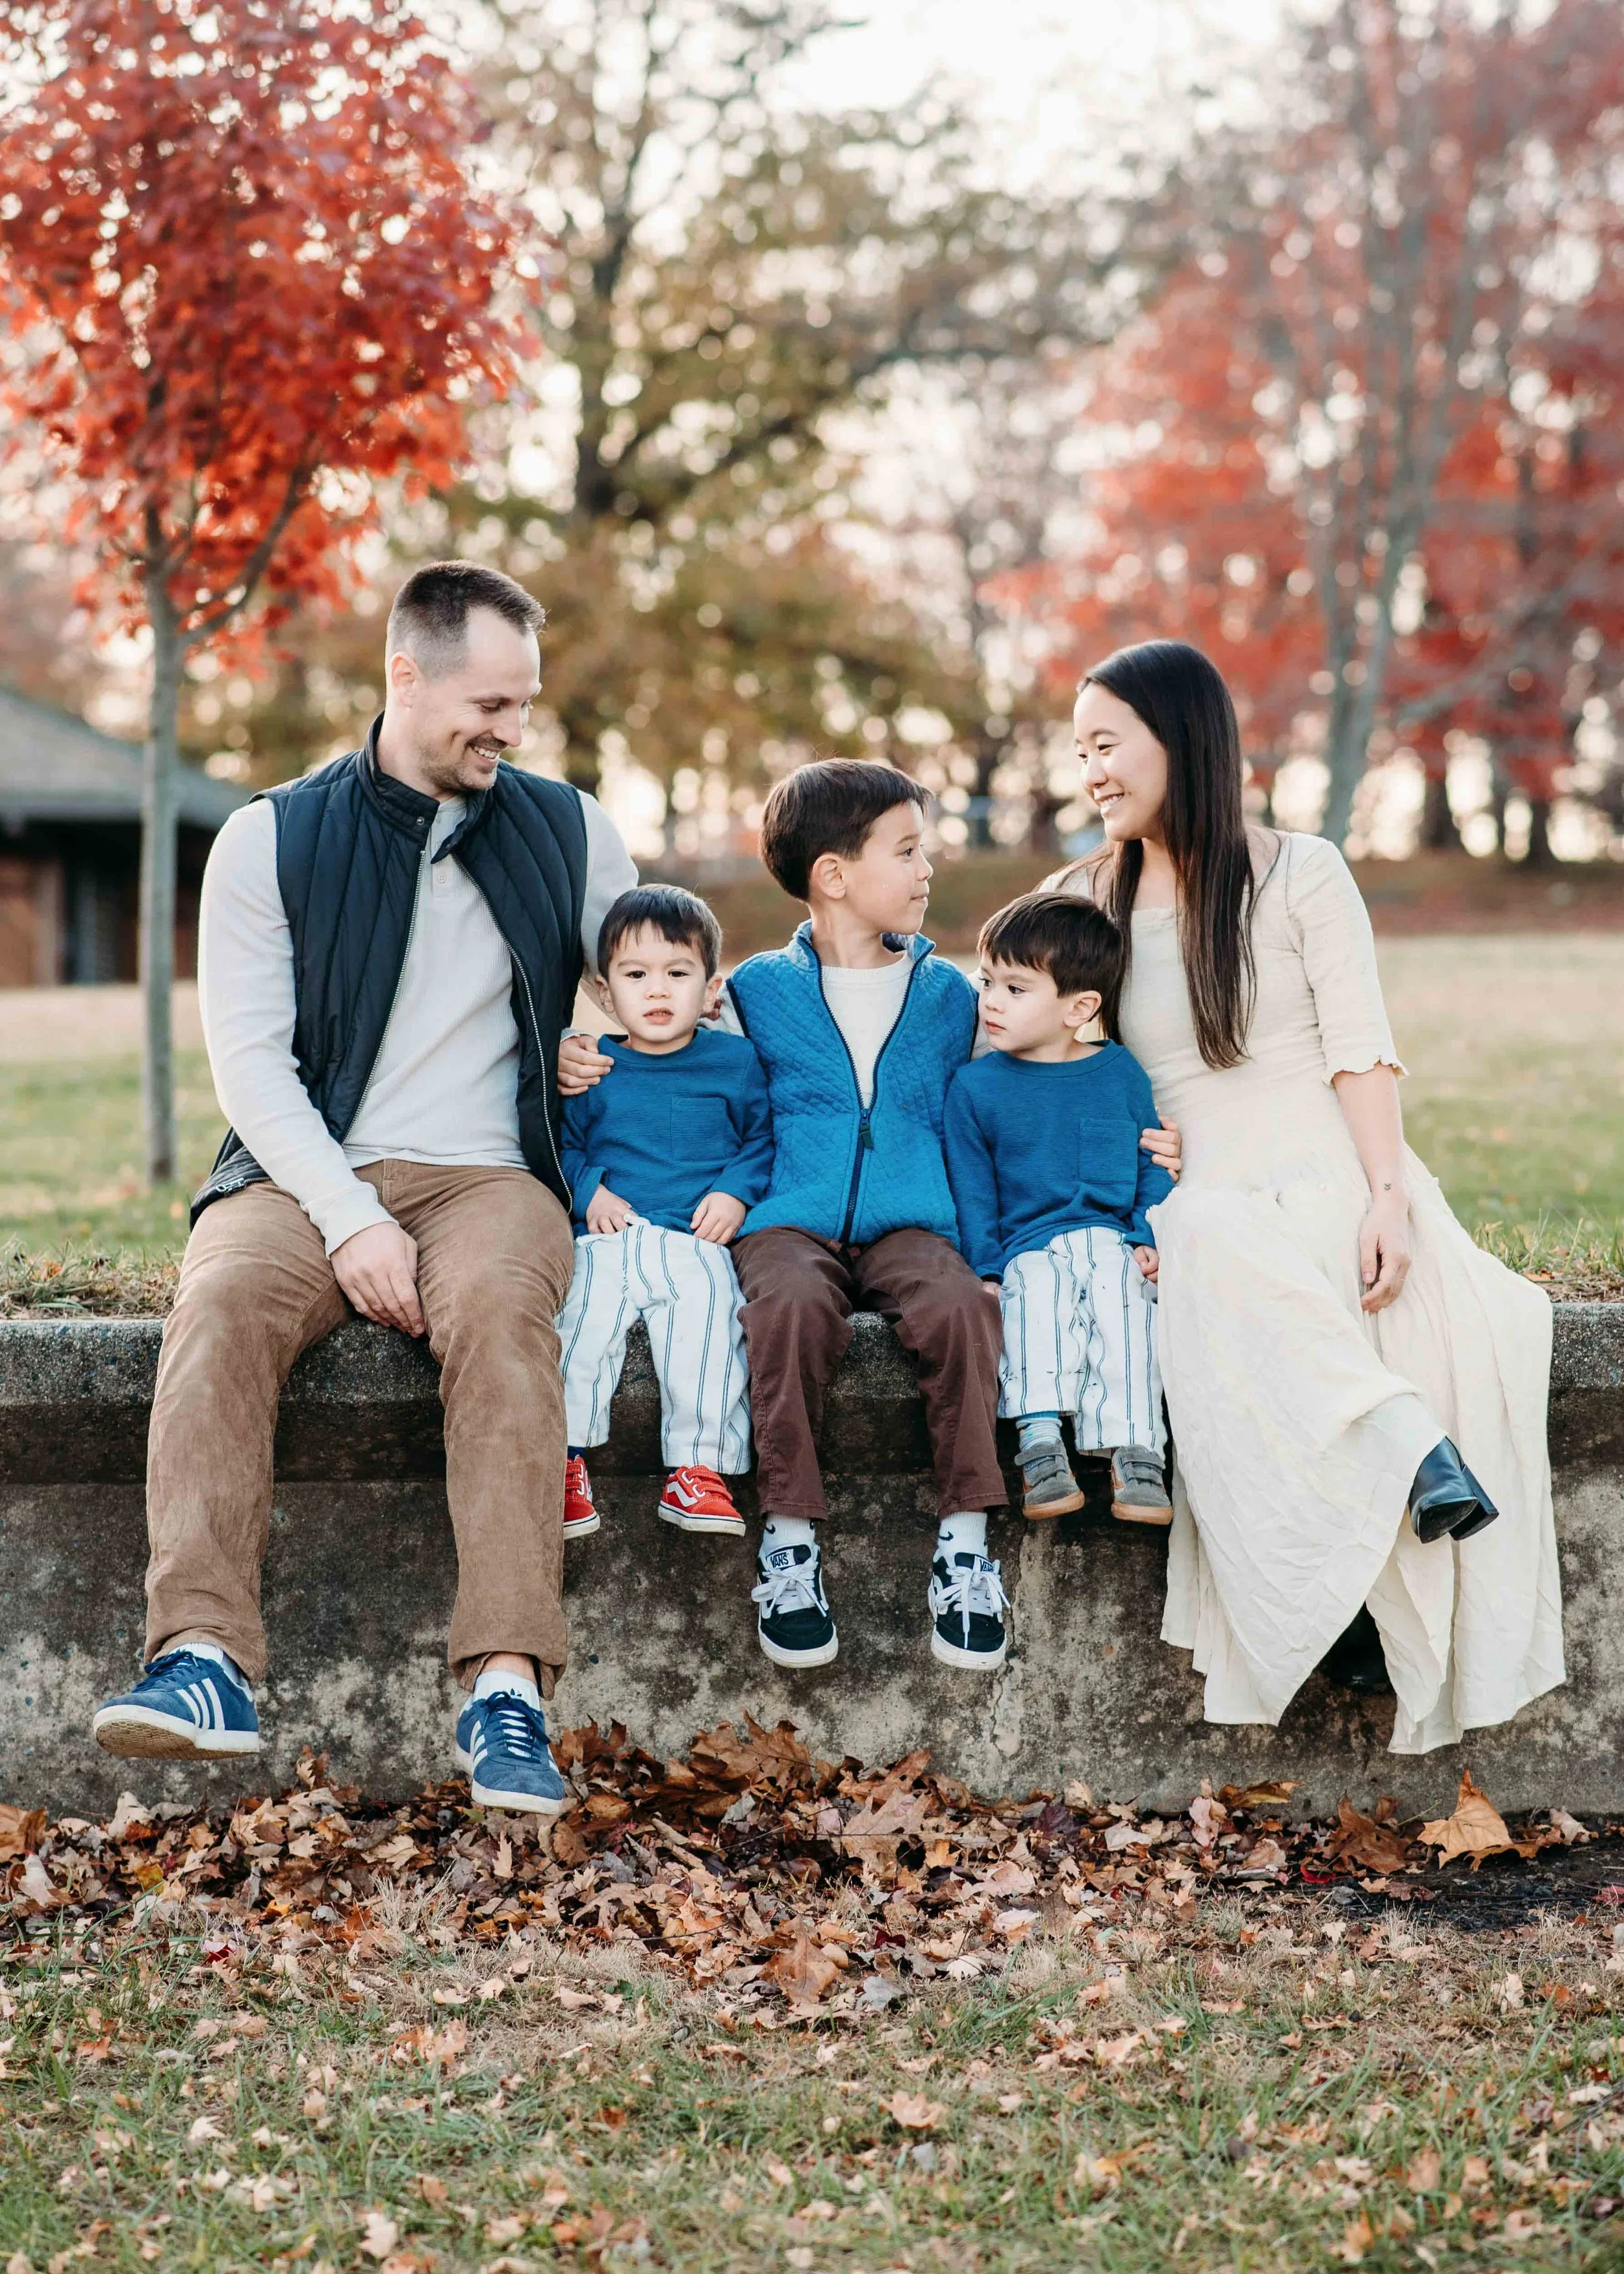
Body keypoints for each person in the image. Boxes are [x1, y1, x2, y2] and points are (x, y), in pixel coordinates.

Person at [91, 561, 638, 1817]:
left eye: (525, 705)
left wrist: (616, 1029)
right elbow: (250, 1069)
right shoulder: (269, 835)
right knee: (218, 1305)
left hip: (494, 1176)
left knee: (505, 1318)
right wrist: (349, 1221)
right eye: (491, 704)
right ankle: (202, 1659)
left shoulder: (572, 826)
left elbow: (659, 976)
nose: (512, 729)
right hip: (302, 1170)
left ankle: (505, 1690)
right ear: (407, 674)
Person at [1053, 637, 1563, 1753]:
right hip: (1188, 1175)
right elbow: (1005, 1034)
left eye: (1106, 743)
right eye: (1078, 748)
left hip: (1326, 1154)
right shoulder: (1080, 898)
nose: (1087, 769)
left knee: (1391, 1295)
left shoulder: (1303, 871)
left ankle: (1367, 1595)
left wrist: (1388, 1194)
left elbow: (1358, 1049)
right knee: (1205, 1236)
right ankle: (1401, 1456)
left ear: (1179, 738)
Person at [944, 891, 1173, 1526]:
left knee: (1122, 1296)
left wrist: (1145, 1232)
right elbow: (973, 1190)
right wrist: (984, 1267)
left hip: (1109, 1235)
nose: (990, 999)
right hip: (1026, 1242)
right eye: (986, 980)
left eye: (1015, 988)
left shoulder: (1119, 1072)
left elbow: (1151, 1158)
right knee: (1033, 1298)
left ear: (1080, 1006)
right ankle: (1040, 1442)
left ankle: (1135, 1449)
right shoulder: (974, 1087)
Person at [557, 884, 772, 1542]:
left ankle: (697, 1469)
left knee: (710, 1329)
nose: (658, 989)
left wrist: (736, 1190)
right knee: (577, 1324)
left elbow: (763, 1139)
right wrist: (588, 1189)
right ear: (603, 988)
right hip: (607, 1236)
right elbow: (560, 1146)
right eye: (636, 974)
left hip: (694, 1239)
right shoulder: (593, 1064)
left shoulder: (734, 1063)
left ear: (711, 989)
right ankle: (560, 1462)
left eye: (678, 973)